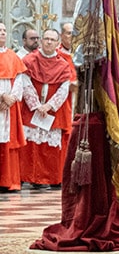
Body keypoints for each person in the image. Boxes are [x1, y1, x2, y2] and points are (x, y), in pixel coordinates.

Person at [19, 28, 75, 189]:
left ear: (57, 43)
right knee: (31, 146)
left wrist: (49, 106)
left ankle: (52, 178)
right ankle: (30, 177)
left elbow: (64, 89)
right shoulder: (29, 60)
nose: (49, 42)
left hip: (53, 111)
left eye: (52, 39)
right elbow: (25, 83)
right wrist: (36, 105)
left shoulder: (63, 65)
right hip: (32, 110)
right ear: (41, 41)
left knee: (50, 148)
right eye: (46, 39)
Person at [0, 22, 29, 192]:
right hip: (3, 100)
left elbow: (19, 79)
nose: (3, 33)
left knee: (8, 141)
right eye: (0, 31)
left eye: (4, 30)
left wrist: (11, 98)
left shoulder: (12, 56)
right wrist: (1, 96)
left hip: (9, 107)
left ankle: (7, 181)